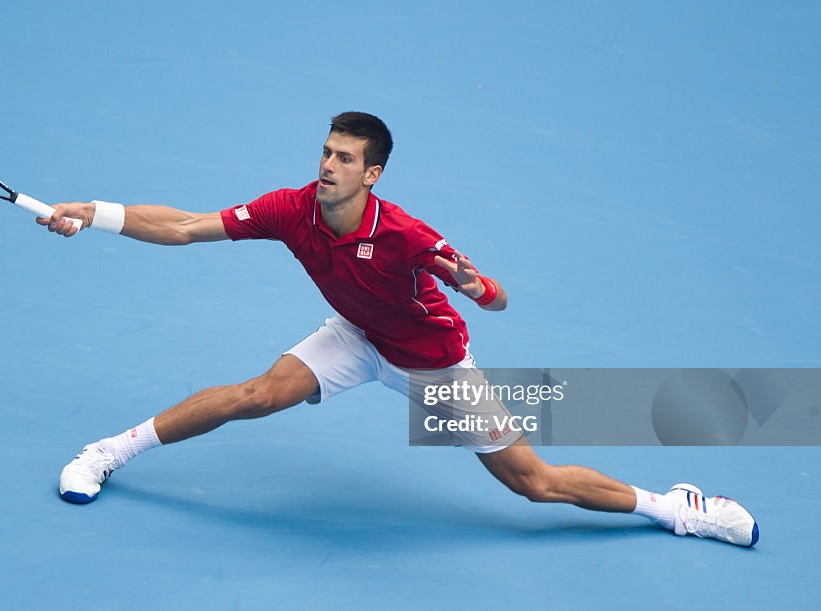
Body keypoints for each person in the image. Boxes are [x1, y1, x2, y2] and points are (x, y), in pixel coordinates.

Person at [40, 112, 759, 547]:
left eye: (343, 158)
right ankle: (107, 451)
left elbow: (497, 299)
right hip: (355, 336)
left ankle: (677, 507)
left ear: (372, 173)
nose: (326, 164)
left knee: (535, 485)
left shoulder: (409, 237)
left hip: (434, 367)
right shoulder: (289, 209)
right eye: (324, 151)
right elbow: (186, 226)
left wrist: (478, 287)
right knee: (257, 394)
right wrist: (94, 210)